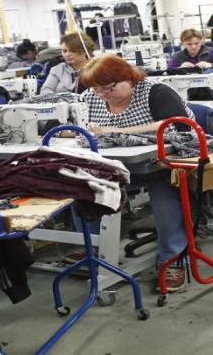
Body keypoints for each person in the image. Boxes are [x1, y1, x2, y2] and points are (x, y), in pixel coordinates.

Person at [80, 53, 195, 291]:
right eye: (97, 90)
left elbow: (175, 124)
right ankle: (94, 251)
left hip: (162, 163)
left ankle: (172, 259)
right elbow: (76, 127)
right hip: (113, 165)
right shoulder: (91, 97)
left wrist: (113, 130)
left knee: (164, 191)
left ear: (127, 77)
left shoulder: (155, 92)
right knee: (81, 187)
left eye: (108, 88)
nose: (102, 94)